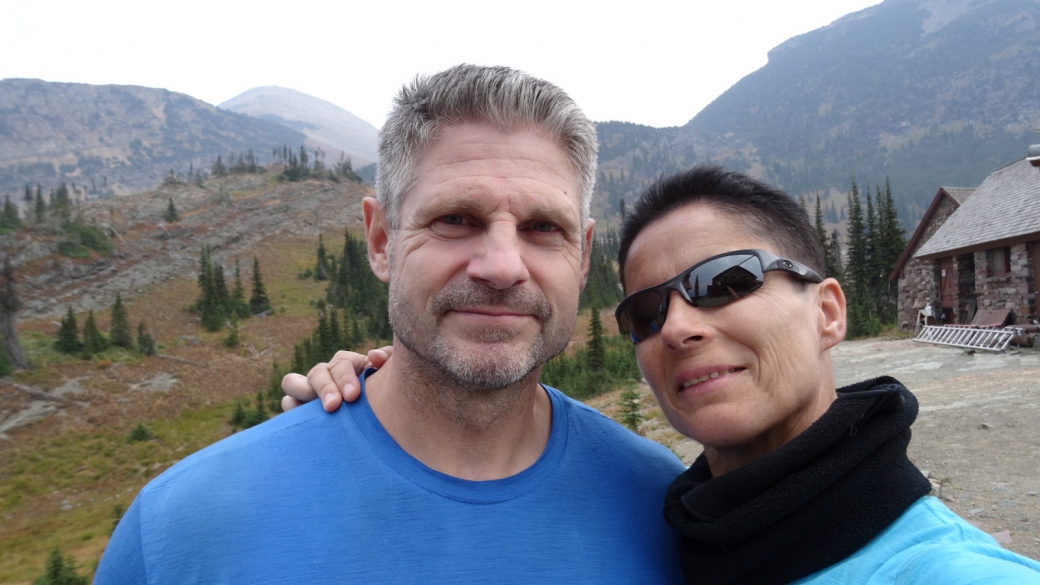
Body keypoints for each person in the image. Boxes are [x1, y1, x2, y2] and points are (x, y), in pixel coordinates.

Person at [289, 166, 1040, 584]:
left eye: (726, 280)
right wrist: (400, 392)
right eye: (646, 311)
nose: (678, 326)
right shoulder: (682, 536)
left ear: (829, 312)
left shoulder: (944, 572)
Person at [94, 65, 685, 583]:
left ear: (582, 258)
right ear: (381, 240)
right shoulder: (182, 528)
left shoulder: (669, 507)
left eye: (542, 228)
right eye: (455, 218)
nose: (503, 267)